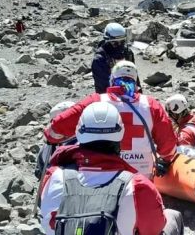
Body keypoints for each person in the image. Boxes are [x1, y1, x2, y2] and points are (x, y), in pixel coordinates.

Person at [39, 101, 183, 235]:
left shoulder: (54, 177)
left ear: (79, 133)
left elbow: (46, 222)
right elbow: (154, 228)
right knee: (172, 216)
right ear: (120, 136)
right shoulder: (137, 186)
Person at [45, 60, 177, 179]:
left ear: (112, 79)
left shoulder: (96, 100)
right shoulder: (151, 104)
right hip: (141, 173)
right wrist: (165, 160)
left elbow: (58, 126)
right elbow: (168, 143)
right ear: (135, 81)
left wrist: (51, 137)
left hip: (102, 171)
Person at [92, 22, 137, 93]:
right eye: (115, 43)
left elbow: (134, 76)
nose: (119, 45)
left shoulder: (127, 53)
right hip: (108, 96)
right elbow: (102, 85)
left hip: (129, 93)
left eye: (122, 42)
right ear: (107, 41)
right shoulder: (100, 58)